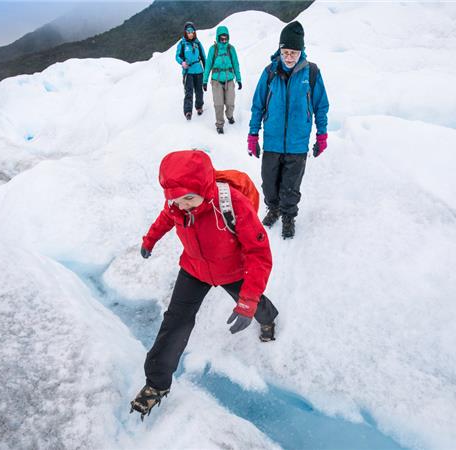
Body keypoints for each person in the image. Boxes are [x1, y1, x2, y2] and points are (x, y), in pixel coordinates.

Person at [130, 150, 279, 419]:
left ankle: (268, 319)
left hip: (231, 269)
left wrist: (247, 302)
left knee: (253, 302)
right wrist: (149, 240)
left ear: (204, 187)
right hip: (194, 269)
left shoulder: (232, 204)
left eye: (189, 198)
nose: (182, 205)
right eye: (175, 200)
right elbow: (166, 218)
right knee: (175, 322)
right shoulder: (177, 204)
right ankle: (156, 384)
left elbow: (259, 254)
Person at [247, 21, 329, 239]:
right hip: (272, 141)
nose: (289, 57)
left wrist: (322, 135)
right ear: (279, 51)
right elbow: (258, 105)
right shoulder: (270, 72)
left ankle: (288, 217)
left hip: (297, 143)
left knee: (291, 186)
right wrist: (252, 134)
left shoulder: (311, 73)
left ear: (300, 51)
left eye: (293, 52)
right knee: (269, 182)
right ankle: (273, 209)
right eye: (285, 52)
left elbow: (321, 106)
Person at [202, 25, 242, 135]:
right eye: (222, 38)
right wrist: (204, 81)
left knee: (230, 103)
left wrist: (239, 79)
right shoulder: (213, 49)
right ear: (218, 37)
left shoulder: (231, 49)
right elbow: (208, 66)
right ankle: (219, 124)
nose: (224, 40)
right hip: (216, 81)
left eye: (225, 38)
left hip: (229, 80)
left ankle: (229, 115)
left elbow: (236, 65)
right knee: (218, 104)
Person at [176, 22, 206, 120]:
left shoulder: (197, 43)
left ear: (194, 32)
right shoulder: (182, 44)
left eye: (192, 31)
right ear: (185, 32)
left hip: (199, 70)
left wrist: (206, 70)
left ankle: (199, 106)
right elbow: (177, 56)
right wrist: (182, 62)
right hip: (188, 72)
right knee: (188, 92)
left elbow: (203, 57)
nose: (190, 33)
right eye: (188, 31)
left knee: (199, 91)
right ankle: (188, 111)